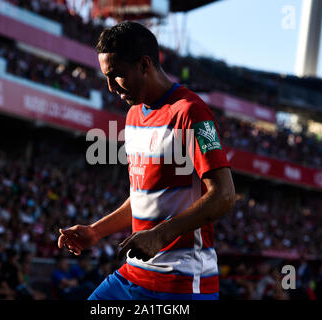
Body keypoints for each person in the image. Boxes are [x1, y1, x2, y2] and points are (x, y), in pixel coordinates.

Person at [58, 21, 236, 300]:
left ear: (144, 64)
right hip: (133, 274)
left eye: (116, 75)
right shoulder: (133, 116)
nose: (110, 87)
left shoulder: (190, 111)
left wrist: (160, 235)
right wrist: (96, 231)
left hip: (182, 284)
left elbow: (224, 195)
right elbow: (143, 199)